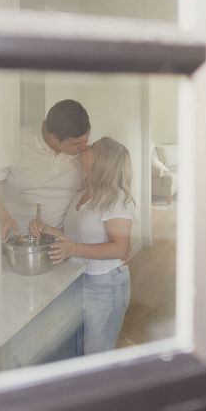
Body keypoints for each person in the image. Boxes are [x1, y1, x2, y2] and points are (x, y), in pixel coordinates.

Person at [31, 137, 134, 355]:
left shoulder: (115, 199)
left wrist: (74, 250)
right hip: (79, 279)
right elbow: (72, 237)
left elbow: (120, 249)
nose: (86, 148)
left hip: (104, 284)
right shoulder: (82, 193)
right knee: (80, 351)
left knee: (97, 354)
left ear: (102, 160)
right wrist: (44, 228)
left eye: (92, 147)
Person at [0, 99, 90, 237]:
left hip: (63, 243)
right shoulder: (16, 142)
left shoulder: (85, 152)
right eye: (76, 143)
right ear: (53, 137)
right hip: (19, 240)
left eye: (86, 140)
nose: (84, 147)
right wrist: (4, 218)